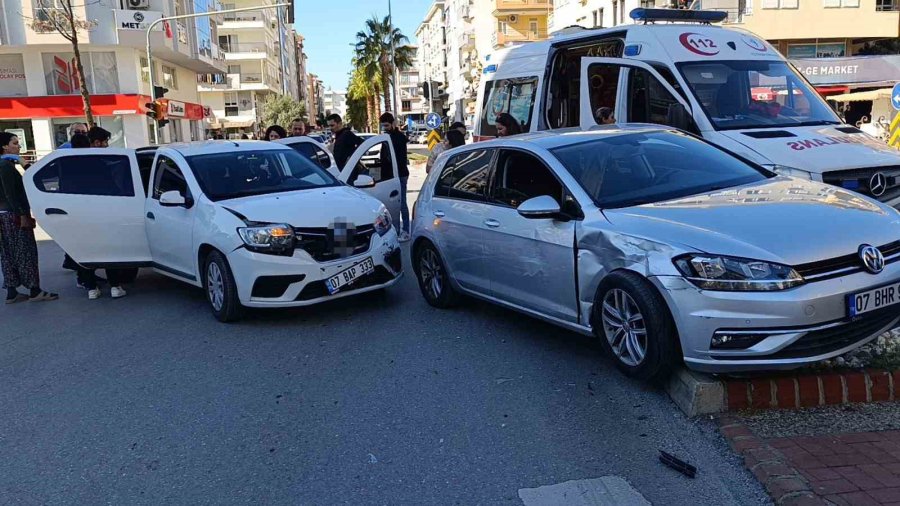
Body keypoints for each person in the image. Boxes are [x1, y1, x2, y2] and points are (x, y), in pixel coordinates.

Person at [0, 132, 58, 303]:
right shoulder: (5, 167)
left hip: (3, 215)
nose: (18, 146)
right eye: (15, 143)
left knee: (7, 254)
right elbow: (11, 193)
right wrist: (22, 214)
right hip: (12, 215)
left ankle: (12, 291)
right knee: (25, 252)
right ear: (5, 146)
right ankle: (35, 290)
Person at [379, 112, 411, 242]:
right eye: (383, 126)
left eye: (386, 125)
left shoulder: (398, 138)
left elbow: (398, 159)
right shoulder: (387, 137)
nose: (385, 128)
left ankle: (406, 231)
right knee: (393, 205)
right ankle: (396, 230)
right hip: (391, 176)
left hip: (399, 175)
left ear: (393, 123)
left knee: (401, 203)